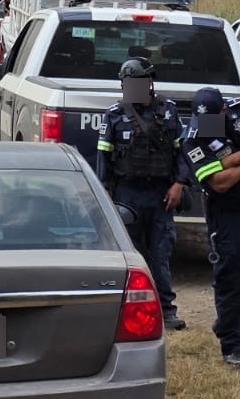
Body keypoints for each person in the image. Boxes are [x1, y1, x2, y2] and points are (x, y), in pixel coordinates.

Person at [181, 87, 240, 370]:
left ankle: (234, 325)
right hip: (226, 216)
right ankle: (231, 344)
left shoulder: (238, 109)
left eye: (214, 118)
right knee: (232, 278)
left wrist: (232, 159)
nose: (208, 125)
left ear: (223, 111)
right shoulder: (192, 139)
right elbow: (220, 183)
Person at [96, 57, 190, 331]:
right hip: (127, 196)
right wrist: (105, 197)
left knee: (160, 254)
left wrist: (179, 184)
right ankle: (130, 311)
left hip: (161, 195)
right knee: (130, 256)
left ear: (150, 83)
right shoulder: (114, 115)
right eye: (128, 84)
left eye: (138, 82)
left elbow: (182, 152)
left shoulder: (168, 112)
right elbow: (104, 160)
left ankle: (166, 310)